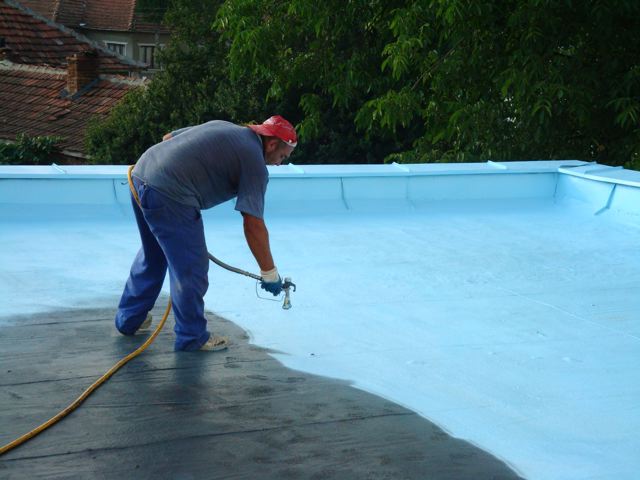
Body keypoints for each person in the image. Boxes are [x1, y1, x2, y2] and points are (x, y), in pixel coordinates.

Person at [114, 116, 297, 351]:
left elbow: (168, 138)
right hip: (171, 194)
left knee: (154, 255)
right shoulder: (255, 163)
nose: (279, 164)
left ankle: (129, 320)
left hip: (141, 175)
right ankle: (192, 337)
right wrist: (269, 273)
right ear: (271, 144)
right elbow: (253, 223)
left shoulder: (227, 128)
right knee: (192, 267)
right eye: (282, 156)